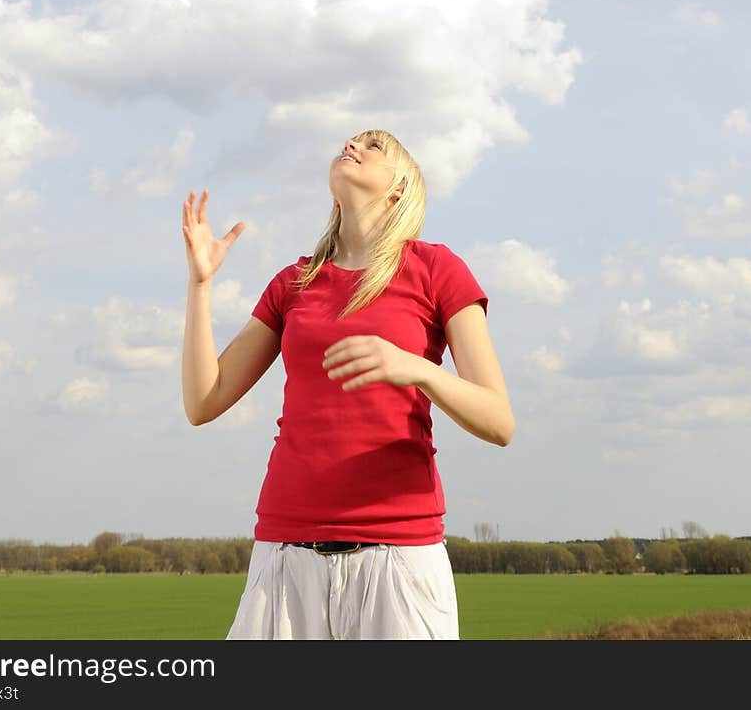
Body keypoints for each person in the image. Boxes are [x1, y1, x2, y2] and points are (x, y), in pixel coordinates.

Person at [181, 128, 515, 640]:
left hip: (397, 559)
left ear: (400, 188)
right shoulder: (293, 283)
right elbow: (204, 401)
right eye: (350, 142)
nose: (352, 147)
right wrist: (200, 284)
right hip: (285, 555)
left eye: (373, 146)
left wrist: (418, 368)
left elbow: (499, 421)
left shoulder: (437, 270)